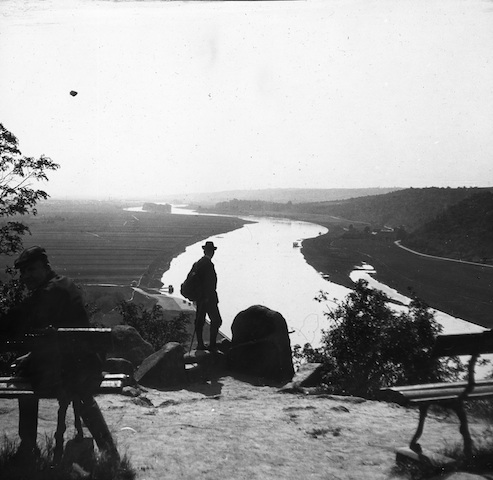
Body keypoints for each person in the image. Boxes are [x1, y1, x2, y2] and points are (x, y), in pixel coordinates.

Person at [0, 246, 119, 462]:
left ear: (46, 268)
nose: (26, 276)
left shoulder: (47, 293)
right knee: (81, 394)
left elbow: (15, 321)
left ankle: (28, 448)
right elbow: (57, 338)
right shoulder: (64, 284)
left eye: (31, 270)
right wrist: (31, 356)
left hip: (66, 373)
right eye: (23, 272)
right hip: (85, 368)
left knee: (22, 380)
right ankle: (109, 451)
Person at [193, 241, 223, 351]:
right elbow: (208, 283)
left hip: (201, 297)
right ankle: (212, 345)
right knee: (216, 320)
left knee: (200, 320)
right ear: (210, 252)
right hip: (208, 298)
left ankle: (201, 344)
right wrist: (206, 296)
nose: (212, 253)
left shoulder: (198, 263)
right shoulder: (207, 264)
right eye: (212, 251)